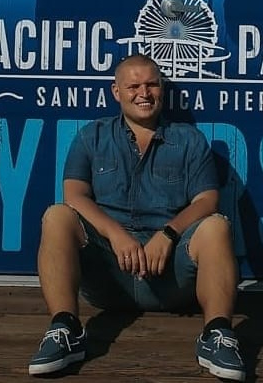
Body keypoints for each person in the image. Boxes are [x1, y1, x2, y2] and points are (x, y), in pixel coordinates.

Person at [28, 54, 246, 381]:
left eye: (152, 85)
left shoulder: (189, 139)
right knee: (57, 216)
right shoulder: (91, 136)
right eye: (133, 86)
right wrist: (116, 234)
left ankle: (216, 335)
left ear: (162, 89)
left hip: (170, 277)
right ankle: (66, 329)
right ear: (116, 92)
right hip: (109, 276)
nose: (144, 93)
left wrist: (168, 234)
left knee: (216, 226)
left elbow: (207, 200)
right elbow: (75, 195)